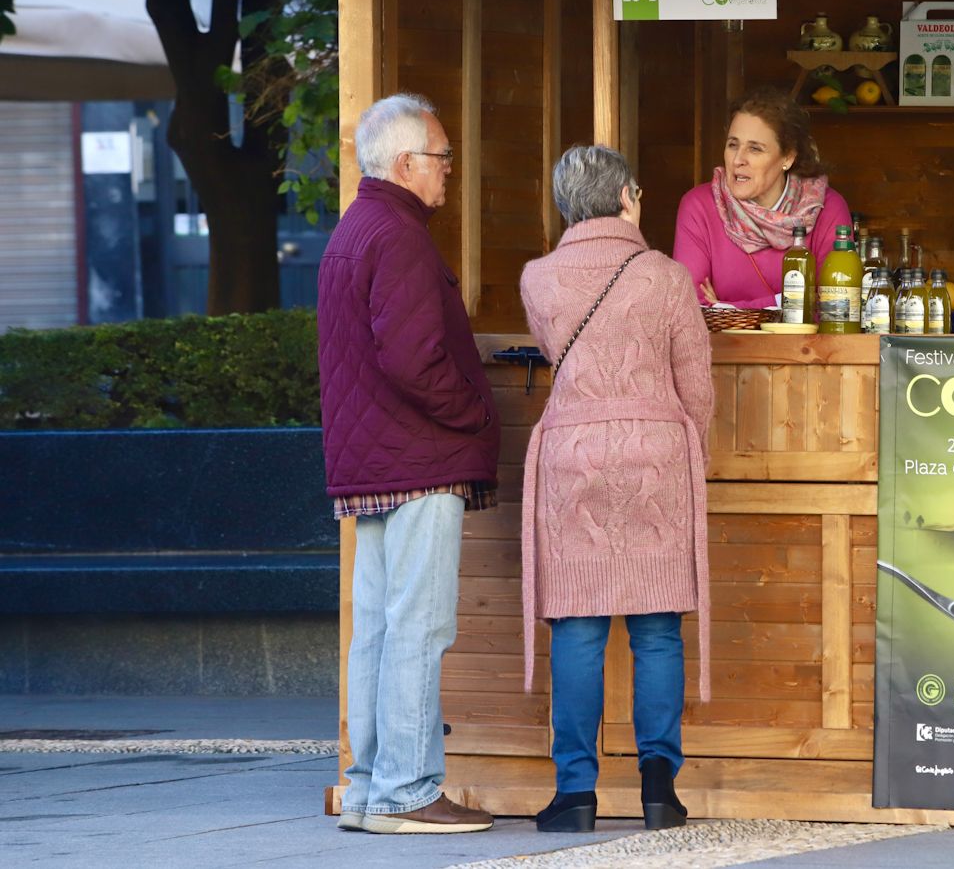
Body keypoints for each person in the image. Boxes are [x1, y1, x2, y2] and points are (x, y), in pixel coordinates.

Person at [317, 93, 500, 835]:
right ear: (405, 163)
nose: (450, 169)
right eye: (442, 156)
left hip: (371, 462)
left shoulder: (353, 229)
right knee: (418, 628)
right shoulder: (399, 236)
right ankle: (409, 791)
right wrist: (474, 414)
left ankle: (367, 788)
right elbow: (413, 360)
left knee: (380, 631)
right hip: (420, 456)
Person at [519, 144, 714, 834]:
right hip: (656, 453)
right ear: (629, 195)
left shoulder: (538, 278)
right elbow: (697, 384)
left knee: (577, 627)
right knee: (658, 629)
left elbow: (555, 354)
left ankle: (576, 794)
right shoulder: (667, 277)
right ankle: (659, 788)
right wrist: (691, 451)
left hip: (572, 455)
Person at [673, 89, 852, 308]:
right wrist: (788, 302)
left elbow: (835, 305)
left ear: (788, 157)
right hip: (718, 344)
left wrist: (729, 309)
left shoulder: (827, 208)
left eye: (755, 149)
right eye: (733, 145)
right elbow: (689, 307)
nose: (738, 159)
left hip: (805, 344)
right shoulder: (699, 205)